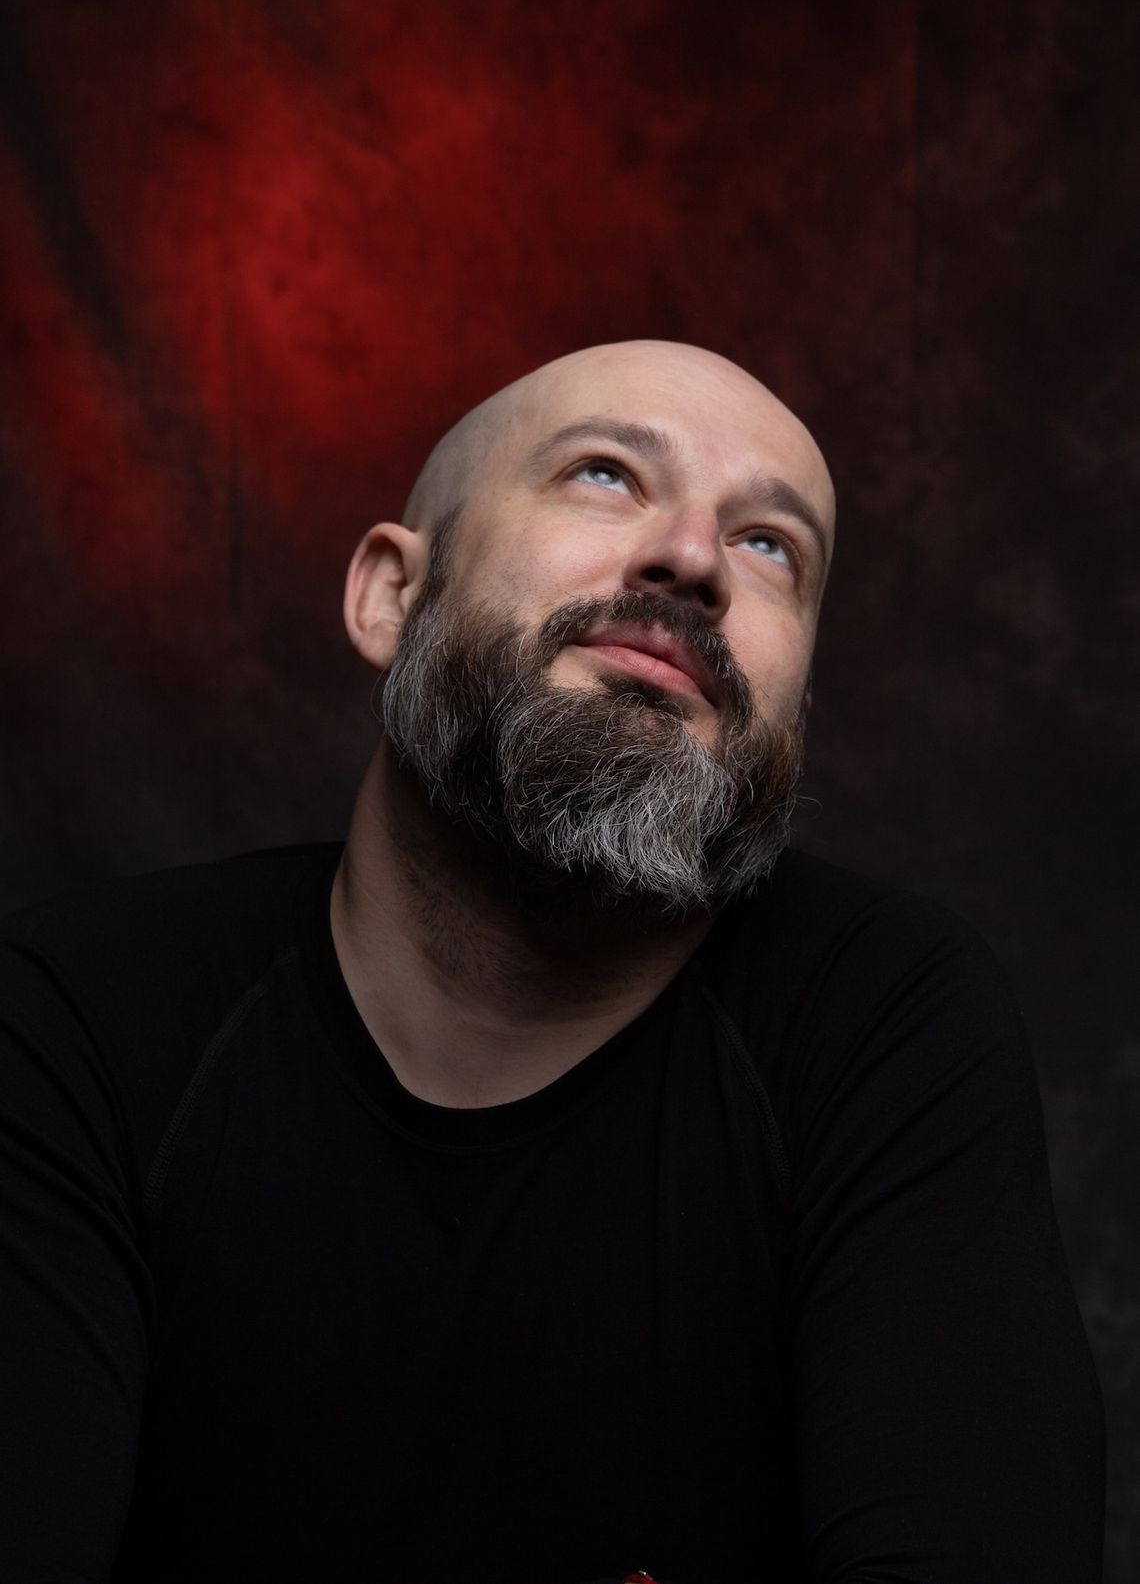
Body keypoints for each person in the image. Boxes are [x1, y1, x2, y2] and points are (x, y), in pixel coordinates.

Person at [1, 340, 1104, 1583]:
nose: (691, 557)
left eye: (768, 546)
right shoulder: (77, 1020)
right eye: (605, 474)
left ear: (790, 711)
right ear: (388, 595)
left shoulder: (885, 1022)